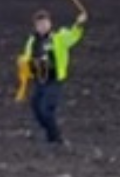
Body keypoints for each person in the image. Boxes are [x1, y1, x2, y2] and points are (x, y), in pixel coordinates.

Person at [16, 9, 87, 145]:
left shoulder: (59, 38)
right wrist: (23, 61)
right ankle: (51, 135)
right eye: (39, 24)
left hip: (53, 80)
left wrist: (79, 24)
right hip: (39, 80)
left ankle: (56, 138)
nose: (42, 26)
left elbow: (73, 36)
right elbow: (28, 55)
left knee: (46, 109)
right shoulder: (32, 40)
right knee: (36, 107)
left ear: (50, 24)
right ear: (35, 26)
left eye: (45, 23)